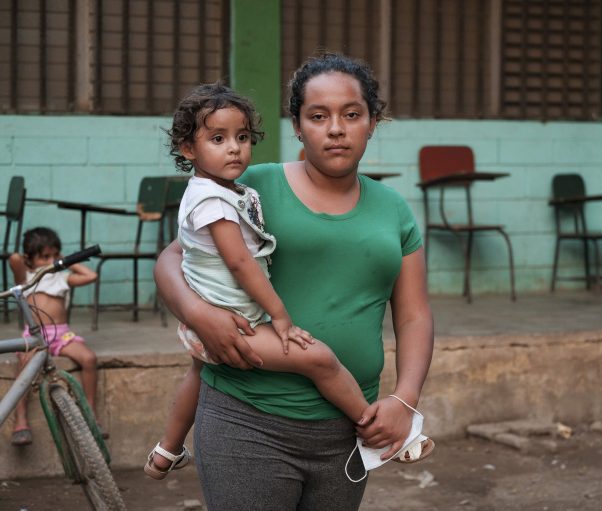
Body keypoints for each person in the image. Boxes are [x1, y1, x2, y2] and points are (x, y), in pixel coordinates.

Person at [149, 64, 434, 502]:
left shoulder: (394, 209)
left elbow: (414, 315)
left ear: (372, 122)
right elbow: (173, 258)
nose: (336, 129)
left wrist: (405, 399)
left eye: (352, 114)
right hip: (247, 421)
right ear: (297, 126)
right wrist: (197, 314)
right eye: (318, 116)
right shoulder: (252, 186)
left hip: (347, 433)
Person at [8, 227, 100, 446]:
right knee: (23, 367)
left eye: (54, 255)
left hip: (61, 334)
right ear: (30, 258)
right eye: (44, 256)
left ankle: (91, 412)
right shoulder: (27, 278)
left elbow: (91, 275)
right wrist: (30, 260)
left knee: (89, 359)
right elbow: (14, 258)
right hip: (34, 337)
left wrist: (64, 261)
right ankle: (20, 421)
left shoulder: (62, 278)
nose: (50, 261)